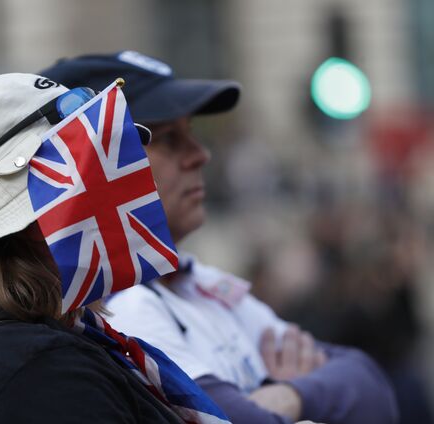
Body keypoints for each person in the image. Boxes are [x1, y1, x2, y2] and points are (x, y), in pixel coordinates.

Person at [40, 50, 400, 424]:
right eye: (168, 139)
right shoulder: (118, 309)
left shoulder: (201, 282)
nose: (201, 155)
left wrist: (287, 395)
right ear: (91, 164)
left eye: (191, 134)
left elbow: (372, 389)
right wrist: (307, 397)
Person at [0, 73, 235, 423]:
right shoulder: (35, 370)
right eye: (101, 171)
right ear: (34, 224)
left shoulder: (23, 350)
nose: (139, 178)